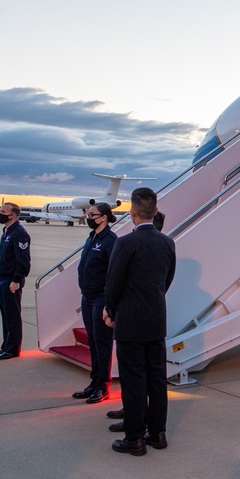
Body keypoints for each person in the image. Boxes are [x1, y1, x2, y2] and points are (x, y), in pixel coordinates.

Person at [104, 190, 175, 456]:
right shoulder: (168, 243)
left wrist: (110, 309)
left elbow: (114, 282)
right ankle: (157, 432)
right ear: (155, 211)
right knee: (156, 378)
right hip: (156, 318)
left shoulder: (125, 244)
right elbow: (167, 280)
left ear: (133, 212)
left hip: (131, 321)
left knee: (134, 379)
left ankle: (134, 437)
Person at [71, 202, 118, 404]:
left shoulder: (110, 240)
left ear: (104, 217)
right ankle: (94, 382)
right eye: (88, 214)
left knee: (102, 343)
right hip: (87, 297)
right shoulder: (92, 237)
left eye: (92, 214)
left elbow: (113, 274)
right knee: (93, 341)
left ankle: (103, 386)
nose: (88, 217)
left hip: (101, 298)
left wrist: (109, 304)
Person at [0, 202, 31, 360]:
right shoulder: (7, 231)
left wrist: (16, 280)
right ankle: (6, 345)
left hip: (11, 281)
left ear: (12, 215)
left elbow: (24, 261)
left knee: (13, 315)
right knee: (6, 314)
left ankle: (13, 349)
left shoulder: (19, 233)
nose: (0, 214)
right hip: (2, 278)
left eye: (3, 212)